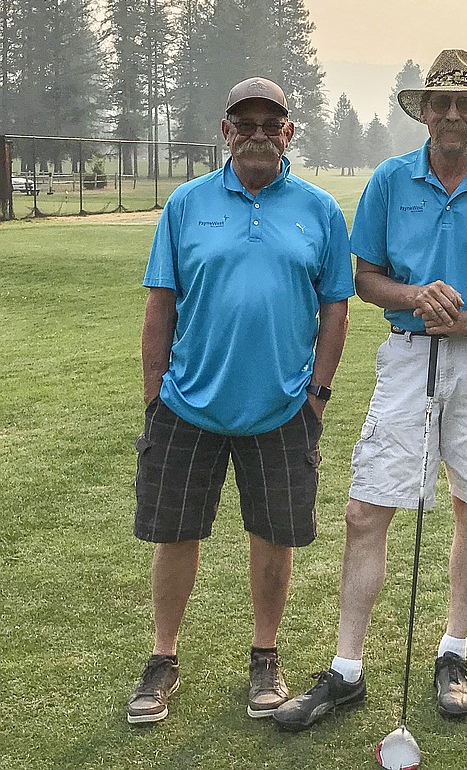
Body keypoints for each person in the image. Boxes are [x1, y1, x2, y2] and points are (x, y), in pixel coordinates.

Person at [274, 49, 467, 730]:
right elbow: (366, 277)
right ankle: (347, 668)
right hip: (408, 352)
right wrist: (416, 295)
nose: (452, 114)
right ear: (424, 111)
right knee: (367, 509)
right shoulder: (392, 181)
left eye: (465, 103)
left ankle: (453, 652)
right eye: (440, 103)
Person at [127, 77, 353, 724]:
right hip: (187, 404)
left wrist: (317, 398)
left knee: (273, 536)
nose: (257, 133)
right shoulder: (187, 205)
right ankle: (163, 657)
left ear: (289, 133)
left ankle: (265, 654)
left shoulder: (319, 210)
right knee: (175, 535)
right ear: (225, 132)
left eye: (269, 123)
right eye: (243, 122)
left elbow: (336, 309)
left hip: (282, 409)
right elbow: (159, 305)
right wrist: (154, 399)